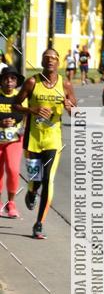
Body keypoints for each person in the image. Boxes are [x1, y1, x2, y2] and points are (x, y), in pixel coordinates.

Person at [13, 48, 77, 239]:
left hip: (53, 140)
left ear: (58, 63)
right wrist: (33, 110)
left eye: (54, 58)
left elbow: (75, 110)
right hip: (33, 140)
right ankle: (31, 192)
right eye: (46, 58)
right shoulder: (32, 82)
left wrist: (70, 107)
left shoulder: (65, 84)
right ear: (42, 61)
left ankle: (39, 223)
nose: (50, 61)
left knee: (48, 179)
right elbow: (16, 104)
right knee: (36, 180)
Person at [0, 67, 27, 218]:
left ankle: (11, 203)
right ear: (1, 81)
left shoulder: (21, 98)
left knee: (12, 169)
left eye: (13, 79)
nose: (9, 82)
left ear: (16, 82)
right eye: (6, 78)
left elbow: (26, 117)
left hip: (14, 140)